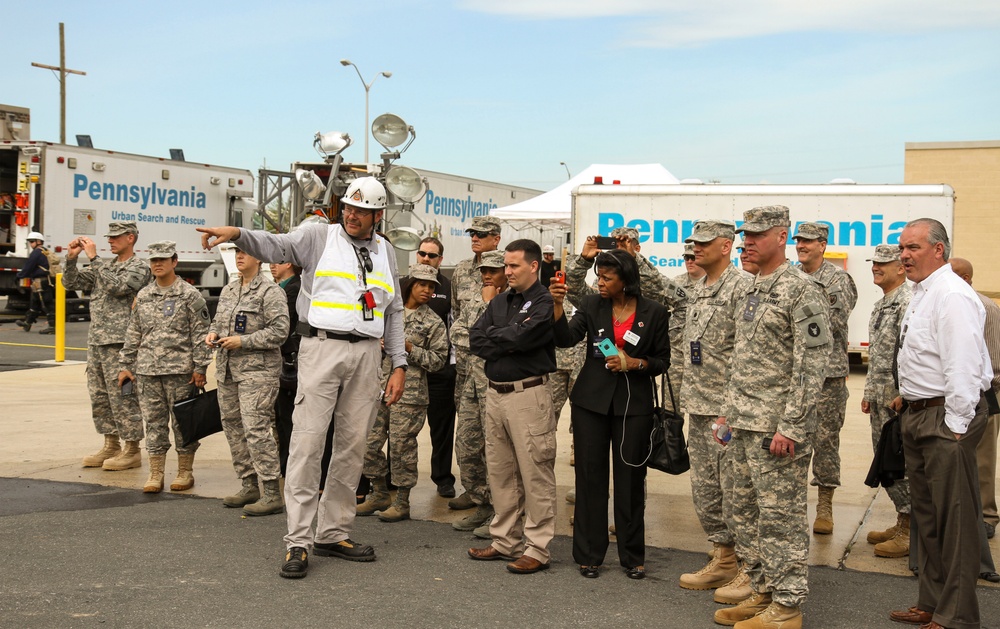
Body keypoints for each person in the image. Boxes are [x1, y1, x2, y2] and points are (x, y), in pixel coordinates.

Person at [198, 176, 406, 580]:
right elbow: (276, 245)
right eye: (347, 207)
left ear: (378, 216)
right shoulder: (317, 236)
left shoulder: (386, 252)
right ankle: (298, 541)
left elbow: (393, 311)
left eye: (361, 211)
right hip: (321, 348)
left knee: (351, 448)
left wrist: (398, 363)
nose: (351, 214)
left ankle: (334, 532)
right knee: (307, 446)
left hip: (367, 354)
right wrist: (239, 233)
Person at [713, 206, 830, 628]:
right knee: (744, 512)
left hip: (776, 430)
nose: (749, 242)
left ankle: (786, 605)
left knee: (780, 518)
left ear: (782, 237)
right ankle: (762, 589)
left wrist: (793, 426)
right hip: (743, 422)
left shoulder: (802, 289)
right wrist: (728, 412)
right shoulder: (751, 287)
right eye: (747, 234)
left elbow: (812, 361)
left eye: (759, 235)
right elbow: (742, 357)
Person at [888, 219, 991, 629]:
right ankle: (931, 602)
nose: (904, 255)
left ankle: (958, 615)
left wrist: (957, 424)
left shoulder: (951, 295)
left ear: (939, 250)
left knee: (956, 522)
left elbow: (962, 363)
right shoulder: (922, 293)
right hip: (919, 413)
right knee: (928, 518)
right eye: (902, 248)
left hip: (946, 417)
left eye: (913, 247)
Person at [551, 247, 670, 580]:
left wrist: (634, 363)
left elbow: (662, 361)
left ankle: (632, 556)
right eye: (597, 276)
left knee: (630, 480)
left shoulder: (655, 312)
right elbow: (565, 339)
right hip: (591, 402)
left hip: (635, 406)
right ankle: (589, 554)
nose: (599, 282)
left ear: (626, 280)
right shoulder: (591, 305)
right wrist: (558, 306)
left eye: (607, 277)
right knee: (590, 477)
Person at [467, 239, 557, 575]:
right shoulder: (501, 301)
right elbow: (476, 338)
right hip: (496, 395)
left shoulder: (544, 301)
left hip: (528, 396)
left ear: (533, 266)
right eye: (506, 265)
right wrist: (505, 334)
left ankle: (538, 548)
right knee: (501, 471)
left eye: (514, 265)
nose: (507, 271)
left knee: (535, 472)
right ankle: (506, 540)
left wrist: (501, 335)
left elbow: (524, 338)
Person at [677, 221, 750, 595]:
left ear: (726, 246)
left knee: (736, 491)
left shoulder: (741, 289)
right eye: (694, 243)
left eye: (704, 243)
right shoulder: (698, 289)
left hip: (727, 411)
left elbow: (747, 354)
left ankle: (749, 567)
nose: (696, 249)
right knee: (706, 491)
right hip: (699, 406)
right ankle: (723, 558)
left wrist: (731, 408)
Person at [118, 241, 212, 494]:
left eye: (163, 259)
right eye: (153, 260)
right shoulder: (145, 295)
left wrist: (200, 368)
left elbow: (200, 334)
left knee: (183, 423)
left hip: (181, 372)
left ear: (174, 262)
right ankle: (156, 472)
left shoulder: (189, 295)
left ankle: (185, 471)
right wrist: (126, 365)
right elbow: (133, 333)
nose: (157, 264)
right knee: (154, 423)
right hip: (147, 372)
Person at [357, 263, 448, 522]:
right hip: (376, 386)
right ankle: (379, 492)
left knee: (402, 448)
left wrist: (409, 348)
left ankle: (402, 501)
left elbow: (439, 361)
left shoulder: (433, 322)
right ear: (410, 284)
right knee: (368, 443)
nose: (428, 290)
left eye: (432, 286)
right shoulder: (387, 313)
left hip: (410, 394)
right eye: (422, 284)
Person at [564, 227, 688, 413]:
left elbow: (680, 300)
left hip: (633, 387)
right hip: (595, 383)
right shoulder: (600, 296)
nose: (617, 251)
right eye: (613, 246)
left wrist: (635, 261)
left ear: (637, 249)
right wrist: (584, 260)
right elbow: (574, 290)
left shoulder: (650, 292)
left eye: (624, 245)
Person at [62, 222, 151, 471]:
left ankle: (132, 449)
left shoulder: (138, 268)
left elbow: (119, 287)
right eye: (109, 237)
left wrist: (94, 258)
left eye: (116, 237)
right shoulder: (107, 266)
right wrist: (71, 260)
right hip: (98, 340)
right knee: (100, 396)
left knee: (124, 397)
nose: (110, 241)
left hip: (122, 343)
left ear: (130, 238)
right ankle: (111, 444)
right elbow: (71, 283)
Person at [209, 247, 290, 516]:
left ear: (259, 258)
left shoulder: (270, 291)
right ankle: (248, 484)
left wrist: (243, 341)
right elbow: (218, 323)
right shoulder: (229, 290)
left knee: (256, 427)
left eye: (245, 252)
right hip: (228, 370)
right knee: (233, 427)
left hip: (258, 372)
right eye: (236, 253)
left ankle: (270, 491)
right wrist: (213, 335)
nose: (239, 256)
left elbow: (280, 332)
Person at [793, 221, 858, 535]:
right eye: (799, 241)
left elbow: (830, 322)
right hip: (795, 374)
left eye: (808, 241)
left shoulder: (837, 279)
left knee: (826, 441)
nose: (802, 246)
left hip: (828, 377)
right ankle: (792, 504)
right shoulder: (791, 276)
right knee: (792, 438)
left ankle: (825, 504)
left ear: (822, 245)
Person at [860, 244, 912, 558]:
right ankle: (903, 517)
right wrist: (868, 393)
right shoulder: (882, 305)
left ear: (900, 268)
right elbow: (877, 355)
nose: (876, 267)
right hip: (880, 398)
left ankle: (910, 528)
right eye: (874, 263)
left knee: (899, 463)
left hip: (896, 401)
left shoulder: (907, 302)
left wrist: (903, 393)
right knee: (886, 463)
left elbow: (908, 353)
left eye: (883, 263)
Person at [448, 215, 501, 524]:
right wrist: (481, 339)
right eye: (473, 234)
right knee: (467, 439)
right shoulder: (463, 273)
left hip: (496, 378)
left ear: (496, 238)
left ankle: (496, 505)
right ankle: (477, 491)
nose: (475, 238)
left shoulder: (510, 279)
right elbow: (459, 322)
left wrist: (479, 338)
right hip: (468, 372)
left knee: (494, 443)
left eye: (482, 234)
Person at [950, 257, 1000, 543]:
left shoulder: (987, 307)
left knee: (982, 457)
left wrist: (979, 398)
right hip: (956, 394)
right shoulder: (949, 302)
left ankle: (987, 516)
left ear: (967, 278)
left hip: (985, 396)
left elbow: (994, 364)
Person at [415, 236, 458, 498]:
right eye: (422, 254)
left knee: (442, 429)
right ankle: (391, 477)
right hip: (409, 371)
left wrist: (451, 366)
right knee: (399, 429)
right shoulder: (403, 285)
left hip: (440, 371)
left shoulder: (449, 289)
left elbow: (455, 326)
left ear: (440, 260)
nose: (426, 259)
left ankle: (443, 478)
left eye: (432, 255)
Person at [270, 259, 301, 477]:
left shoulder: (294, 288)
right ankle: (283, 464)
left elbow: (284, 322)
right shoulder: (277, 287)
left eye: (278, 261)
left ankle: (290, 465)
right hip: (276, 359)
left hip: (290, 359)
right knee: (279, 418)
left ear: (290, 263)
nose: (272, 265)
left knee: (289, 417)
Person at [14, 231, 56, 334]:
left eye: (32, 241)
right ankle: (27, 323)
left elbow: (28, 267)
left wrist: (19, 276)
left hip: (41, 282)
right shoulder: (45, 251)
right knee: (35, 303)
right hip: (43, 281)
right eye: (30, 241)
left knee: (47, 303)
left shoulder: (36, 252)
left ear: (38, 241)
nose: (30, 243)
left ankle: (52, 326)